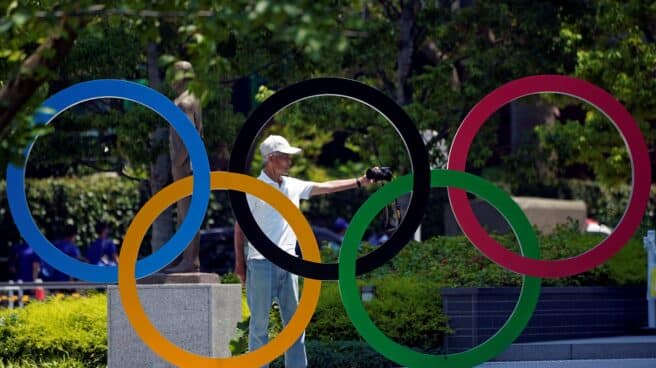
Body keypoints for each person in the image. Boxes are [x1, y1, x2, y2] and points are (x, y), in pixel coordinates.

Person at [234, 135, 377, 368]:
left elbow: (325, 187)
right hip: (260, 263)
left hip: (291, 263)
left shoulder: (291, 185)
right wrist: (240, 264)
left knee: (295, 328)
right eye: (285, 156)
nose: (290, 160)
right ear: (271, 159)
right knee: (259, 328)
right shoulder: (254, 189)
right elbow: (239, 227)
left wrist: (359, 181)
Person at [164, 60, 204, 273]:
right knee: (186, 214)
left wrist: (178, 163)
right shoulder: (194, 98)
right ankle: (187, 259)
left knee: (187, 213)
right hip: (192, 165)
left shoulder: (183, 102)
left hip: (186, 166)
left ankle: (190, 261)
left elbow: (191, 136)